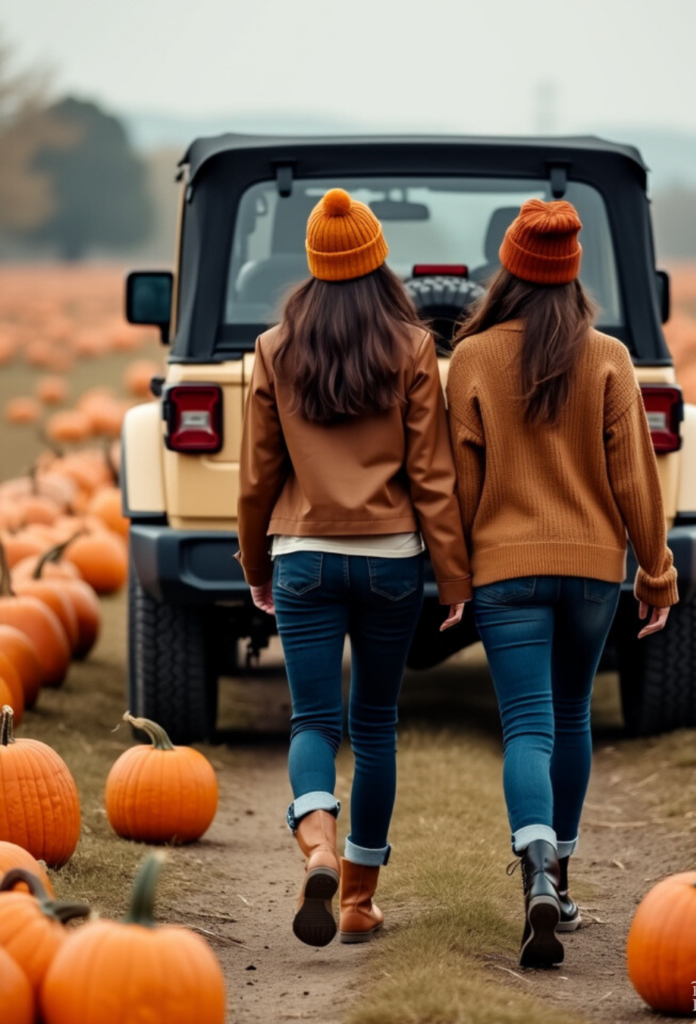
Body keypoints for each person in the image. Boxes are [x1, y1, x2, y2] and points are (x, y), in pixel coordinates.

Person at [236, 188, 472, 949]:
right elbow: (433, 476)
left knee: (312, 719)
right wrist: (455, 578)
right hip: (390, 562)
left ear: (312, 262)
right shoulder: (409, 347)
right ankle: (359, 901)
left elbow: (255, 478)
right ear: (377, 260)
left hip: (301, 554)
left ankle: (316, 848)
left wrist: (255, 565)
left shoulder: (275, 347)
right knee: (375, 728)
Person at [446, 198, 678, 968]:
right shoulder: (608, 357)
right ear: (573, 277)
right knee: (571, 714)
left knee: (526, 727)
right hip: (589, 575)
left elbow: (462, 487)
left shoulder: (472, 359)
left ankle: (535, 867)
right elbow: (635, 480)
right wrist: (655, 570)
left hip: (503, 574)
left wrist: (457, 571)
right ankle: (562, 880)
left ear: (507, 272)